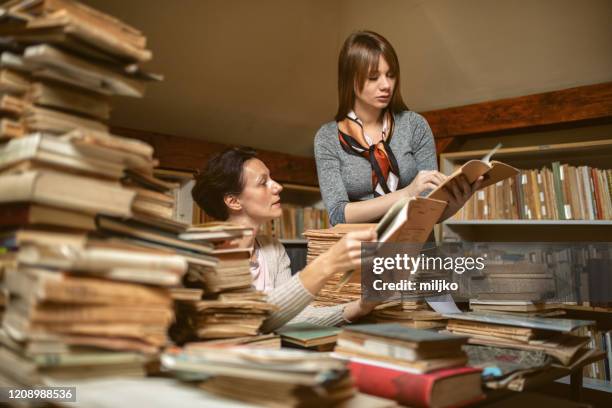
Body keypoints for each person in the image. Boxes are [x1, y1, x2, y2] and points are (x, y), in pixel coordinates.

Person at [192, 147, 378, 333]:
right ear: (233, 201)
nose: (278, 186)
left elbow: (289, 314)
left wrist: (359, 307)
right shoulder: (207, 256)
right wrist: (327, 263)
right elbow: (250, 321)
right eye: (263, 182)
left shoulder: (273, 248)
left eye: (271, 178)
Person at [314, 31, 481, 225]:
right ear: (350, 80)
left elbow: (429, 209)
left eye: (391, 75)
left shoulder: (414, 126)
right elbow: (338, 214)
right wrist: (408, 193)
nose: (386, 85)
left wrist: (457, 201)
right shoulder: (328, 138)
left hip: (416, 249)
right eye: (373, 77)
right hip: (360, 251)